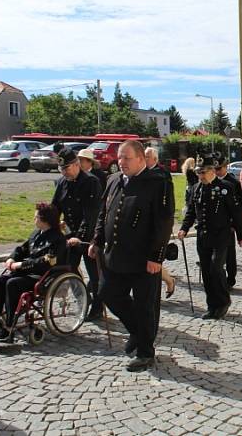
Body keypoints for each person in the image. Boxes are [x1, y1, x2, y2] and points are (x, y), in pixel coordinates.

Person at [88, 140, 174, 372]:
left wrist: (156, 257)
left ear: (141, 159)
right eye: (119, 157)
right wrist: (97, 240)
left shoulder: (158, 183)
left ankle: (146, 353)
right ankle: (137, 331)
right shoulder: (114, 180)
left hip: (144, 258)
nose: (121, 162)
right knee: (108, 293)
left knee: (145, 305)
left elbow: (164, 222)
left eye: (126, 158)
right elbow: (103, 213)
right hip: (115, 255)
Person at [0, 203, 67, 338]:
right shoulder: (36, 234)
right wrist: (12, 259)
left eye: (36, 217)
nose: (34, 219)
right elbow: (21, 249)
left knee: (12, 283)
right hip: (25, 273)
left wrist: (21, 265)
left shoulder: (58, 239)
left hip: (42, 276)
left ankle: (9, 326)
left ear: (45, 220)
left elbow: (46, 262)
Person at [178, 155, 242, 317]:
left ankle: (223, 301)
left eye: (203, 172)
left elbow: (236, 214)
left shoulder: (226, 187)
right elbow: (191, 212)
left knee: (216, 268)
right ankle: (212, 306)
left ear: (211, 171)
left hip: (222, 236)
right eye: (198, 173)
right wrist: (184, 228)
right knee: (207, 273)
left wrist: (241, 235)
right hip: (203, 236)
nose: (200, 176)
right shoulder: (196, 188)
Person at [51, 148, 103, 321]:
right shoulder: (62, 182)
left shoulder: (91, 182)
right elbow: (55, 207)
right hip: (70, 234)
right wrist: (49, 223)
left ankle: (97, 306)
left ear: (76, 165)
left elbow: (90, 214)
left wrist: (80, 238)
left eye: (66, 168)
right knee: (69, 268)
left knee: (94, 274)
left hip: (90, 235)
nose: (64, 172)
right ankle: (82, 299)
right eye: (61, 169)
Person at [145, 147, 177, 299]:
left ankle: (168, 282)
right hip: (144, 225)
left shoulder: (163, 175)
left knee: (155, 259)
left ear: (154, 159)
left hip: (159, 225)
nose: (144, 159)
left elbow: (167, 203)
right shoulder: (142, 173)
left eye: (147, 156)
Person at [214, 152, 241, 289]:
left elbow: (238, 206)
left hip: (228, 224)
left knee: (230, 253)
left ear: (225, 167)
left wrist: (234, 224)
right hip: (215, 225)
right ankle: (220, 278)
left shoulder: (233, 183)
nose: (217, 172)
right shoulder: (211, 181)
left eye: (219, 169)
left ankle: (231, 279)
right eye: (215, 169)